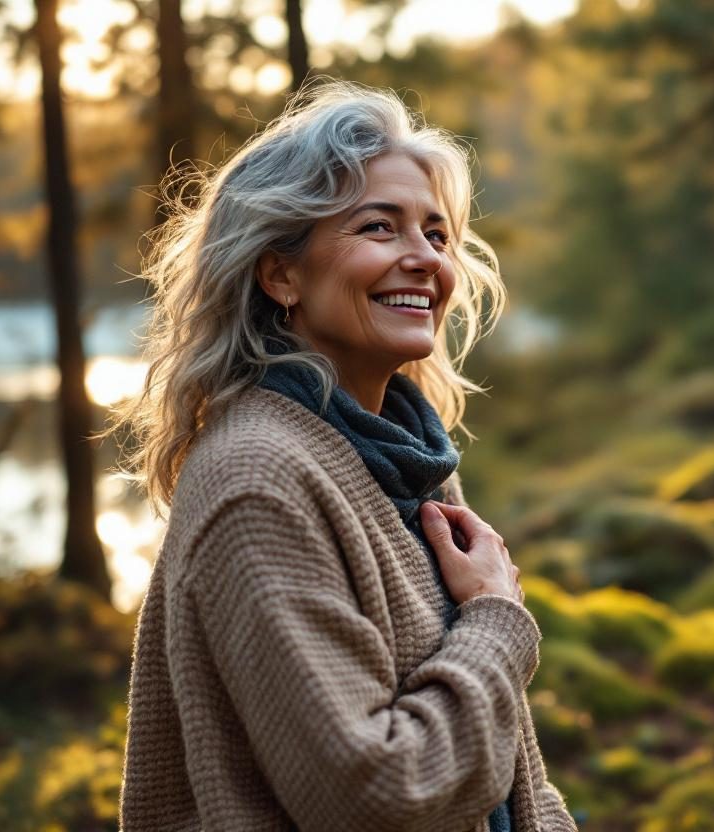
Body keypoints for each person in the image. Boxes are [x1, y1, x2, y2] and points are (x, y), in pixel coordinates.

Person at [114, 79, 578, 832]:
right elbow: (376, 797)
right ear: (281, 273)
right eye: (379, 227)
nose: (425, 258)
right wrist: (497, 623)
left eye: (436, 234)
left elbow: (512, 772)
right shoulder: (258, 482)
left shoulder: (406, 456)